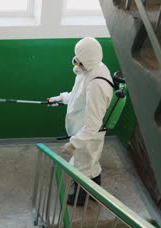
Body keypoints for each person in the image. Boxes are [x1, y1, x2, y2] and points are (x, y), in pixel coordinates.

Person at [48, 37, 113, 206]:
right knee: (90, 163)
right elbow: (78, 97)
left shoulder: (97, 84)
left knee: (83, 167)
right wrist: (61, 98)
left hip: (87, 135)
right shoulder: (87, 71)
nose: (75, 62)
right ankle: (94, 193)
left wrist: (74, 143)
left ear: (87, 58)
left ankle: (81, 198)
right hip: (80, 129)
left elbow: (93, 125)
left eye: (78, 58)